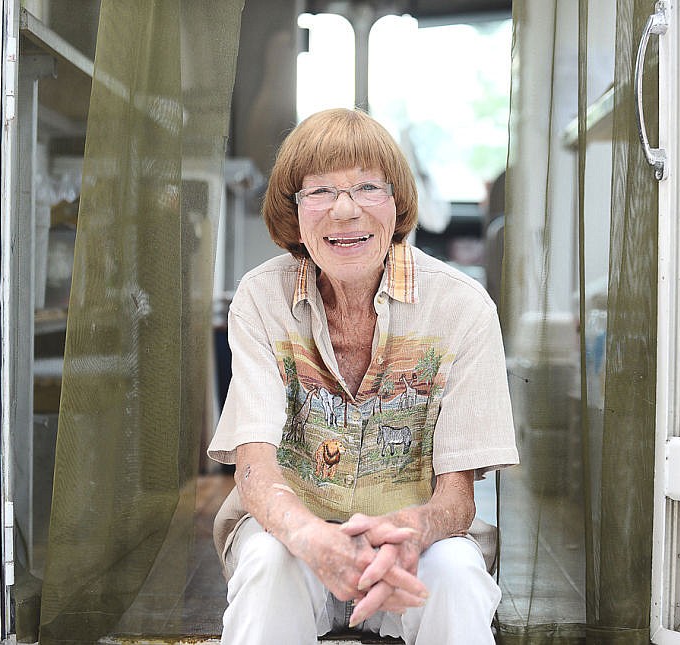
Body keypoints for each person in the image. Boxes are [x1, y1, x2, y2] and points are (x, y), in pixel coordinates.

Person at [208, 108, 519, 645]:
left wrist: (409, 531)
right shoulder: (261, 298)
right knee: (267, 566)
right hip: (293, 535)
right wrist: (311, 537)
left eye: (368, 187)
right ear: (294, 212)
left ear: (397, 203)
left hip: (412, 541)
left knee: (457, 576)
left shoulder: (463, 307)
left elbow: (457, 497)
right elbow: (254, 466)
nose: (345, 210)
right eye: (320, 192)